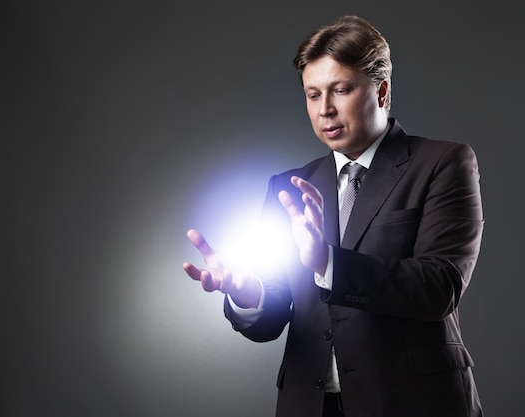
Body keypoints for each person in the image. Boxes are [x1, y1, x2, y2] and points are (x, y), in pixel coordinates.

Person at [183, 15, 484, 417]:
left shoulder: (443, 163)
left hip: (411, 401)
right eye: (312, 94)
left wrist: (328, 263)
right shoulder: (289, 186)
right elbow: (270, 319)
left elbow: (439, 287)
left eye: (340, 90)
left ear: (382, 91)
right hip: (310, 404)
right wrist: (245, 293)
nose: (324, 109)